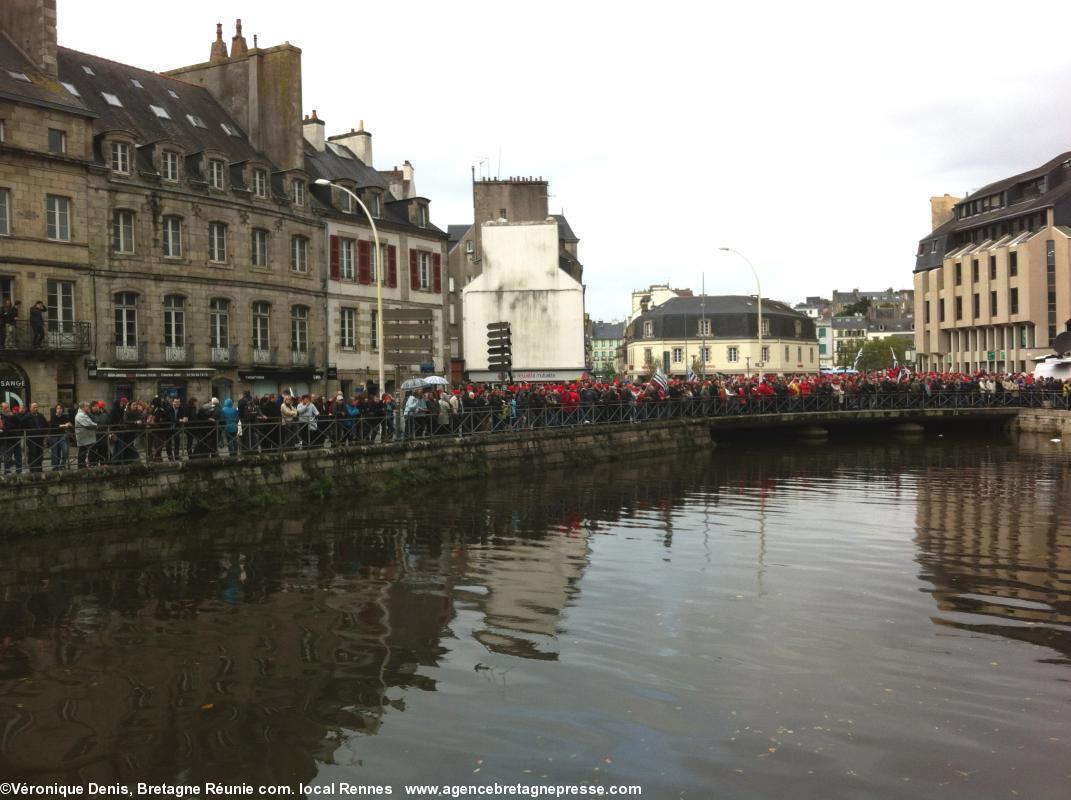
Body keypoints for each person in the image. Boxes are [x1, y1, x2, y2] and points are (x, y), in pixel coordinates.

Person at [22, 401, 49, 472]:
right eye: (34, 407)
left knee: (40, 454)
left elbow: (46, 425)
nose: (35, 409)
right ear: (30, 408)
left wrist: (45, 437)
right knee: (33, 454)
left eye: (37, 407)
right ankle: (33, 469)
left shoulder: (41, 416)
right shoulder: (27, 417)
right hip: (31, 439)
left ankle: (39, 468)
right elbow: (23, 427)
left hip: (40, 438)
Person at [49, 402, 73, 469]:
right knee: (55, 452)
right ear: (56, 410)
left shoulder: (64, 417)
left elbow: (69, 424)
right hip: (54, 436)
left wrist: (69, 424)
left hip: (62, 436)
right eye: (58, 408)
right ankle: (55, 466)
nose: (59, 410)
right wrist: (64, 425)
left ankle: (62, 464)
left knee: (65, 450)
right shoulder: (53, 417)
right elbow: (55, 426)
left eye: (60, 408)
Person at [74, 400, 98, 468]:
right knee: (83, 452)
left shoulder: (84, 414)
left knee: (85, 452)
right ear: (82, 407)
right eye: (87, 406)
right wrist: (97, 425)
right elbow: (89, 424)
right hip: (84, 438)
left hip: (87, 438)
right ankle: (82, 467)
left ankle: (85, 465)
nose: (88, 408)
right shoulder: (80, 415)